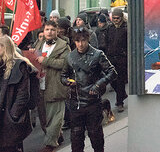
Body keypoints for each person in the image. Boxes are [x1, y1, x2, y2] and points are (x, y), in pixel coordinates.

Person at [61, 28, 117, 152]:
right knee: (76, 137)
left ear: (88, 40)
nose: (80, 44)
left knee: (95, 135)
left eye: (83, 41)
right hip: (75, 102)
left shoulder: (98, 54)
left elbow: (112, 72)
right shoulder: (70, 57)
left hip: (92, 102)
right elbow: (63, 75)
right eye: (77, 41)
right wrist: (67, 81)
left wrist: (98, 85)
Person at [34, 20, 70, 152]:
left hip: (55, 85)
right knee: (43, 118)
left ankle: (50, 144)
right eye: (47, 29)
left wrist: (47, 61)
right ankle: (56, 136)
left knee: (55, 116)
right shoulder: (39, 43)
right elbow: (37, 57)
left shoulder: (63, 45)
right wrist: (33, 54)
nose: (49, 32)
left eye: (52, 30)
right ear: (43, 31)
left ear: (57, 32)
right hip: (40, 84)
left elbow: (66, 63)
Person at [0, 36, 36, 152]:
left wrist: (13, 116)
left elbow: (23, 94)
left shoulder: (19, 65)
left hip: (10, 117)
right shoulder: (1, 65)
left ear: (4, 47)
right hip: (3, 116)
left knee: (12, 148)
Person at [105, 8, 128, 112]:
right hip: (111, 58)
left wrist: (125, 54)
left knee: (120, 81)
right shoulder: (110, 28)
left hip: (121, 58)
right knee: (111, 79)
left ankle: (119, 102)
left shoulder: (126, 29)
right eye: (113, 18)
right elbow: (106, 43)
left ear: (121, 18)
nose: (115, 20)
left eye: (117, 18)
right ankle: (122, 94)